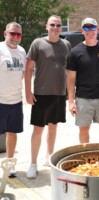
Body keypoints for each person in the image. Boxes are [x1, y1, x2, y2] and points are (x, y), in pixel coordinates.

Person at [25, 15, 71, 179]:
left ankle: (49, 157)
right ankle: (32, 163)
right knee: (38, 129)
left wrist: (71, 94)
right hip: (41, 94)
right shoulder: (38, 43)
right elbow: (29, 68)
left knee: (53, 126)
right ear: (46, 26)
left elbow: (69, 71)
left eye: (58, 25)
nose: (55, 27)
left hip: (59, 93)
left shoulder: (66, 45)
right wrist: (28, 92)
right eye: (52, 24)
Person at [67, 17, 99, 143]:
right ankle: (85, 159)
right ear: (82, 31)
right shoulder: (75, 52)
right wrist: (71, 102)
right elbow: (70, 79)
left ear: (97, 29)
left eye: (92, 27)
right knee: (84, 131)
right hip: (83, 99)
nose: (90, 30)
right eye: (86, 27)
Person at [0, 22, 26, 177]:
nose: (15, 37)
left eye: (18, 34)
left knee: (12, 133)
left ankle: (10, 164)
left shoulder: (22, 51)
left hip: (16, 100)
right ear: (5, 34)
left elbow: (23, 74)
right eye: (12, 34)